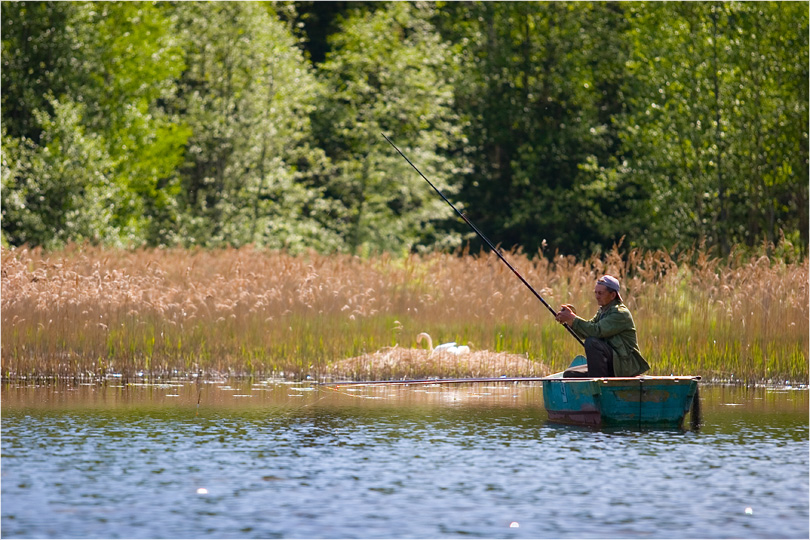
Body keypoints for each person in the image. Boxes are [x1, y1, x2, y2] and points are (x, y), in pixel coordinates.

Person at [555, 274, 649, 378]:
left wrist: (573, 318)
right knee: (570, 374)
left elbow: (596, 331)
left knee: (591, 342)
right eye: (595, 292)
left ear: (613, 295)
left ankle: (599, 386)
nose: (597, 296)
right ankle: (596, 383)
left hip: (624, 366)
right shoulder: (603, 311)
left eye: (600, 293)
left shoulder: (620, 313)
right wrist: (569, 321)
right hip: (612, 364)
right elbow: (587, 331)